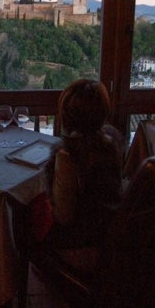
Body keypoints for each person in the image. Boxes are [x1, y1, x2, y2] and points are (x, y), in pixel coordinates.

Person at [40, 79, 125, 268]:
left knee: (25, 220)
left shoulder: (67, 156)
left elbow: (63, 216)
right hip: (113, 237)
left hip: (81, 246)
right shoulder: (112, 142)